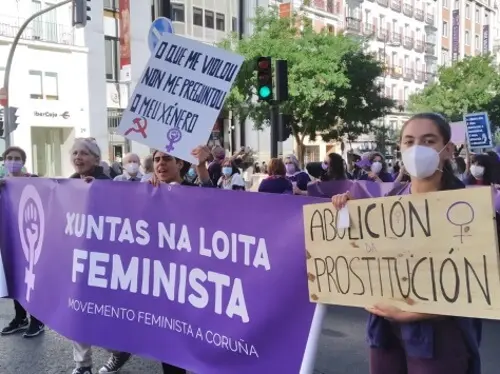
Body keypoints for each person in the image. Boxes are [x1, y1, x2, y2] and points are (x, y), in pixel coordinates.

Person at [331, 113, 482, 374]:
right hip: (385, 333)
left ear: (447, 150)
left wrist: (416, 313)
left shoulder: (468, 209)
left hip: (440, 337)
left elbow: (479, 283)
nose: (416, 149)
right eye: (409, 141)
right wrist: (346, 213)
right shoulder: (387, 204)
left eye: (428, 141)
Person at [146, 145, 211, 374]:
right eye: (156, 160)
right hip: (162, 280)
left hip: (192, 277)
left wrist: (202, 166)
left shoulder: (192, 190)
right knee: (170, 343)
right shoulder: (146, 192)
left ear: (180, 164)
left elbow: (213, 200)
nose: (161, 164)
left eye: (166, 158)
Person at [68, 138, 131, 374]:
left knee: (97, 313)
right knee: (75, 310)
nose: (78, 157)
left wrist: (101, 191)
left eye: (84, 153)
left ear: (96, 158)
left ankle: (117, 350)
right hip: (77, 258)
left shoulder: (108, 183)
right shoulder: (69, 183)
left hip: (102, 261)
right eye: (74, 153)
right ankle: (83, 364)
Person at [0, 146, 45, 339]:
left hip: (30, 238)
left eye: (17, 158)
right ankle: (20, 317)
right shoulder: (3, 183)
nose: (12, 161)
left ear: (23, 161)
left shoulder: (32, 180)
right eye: (9, 158)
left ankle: (37, 320)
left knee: (30, 279)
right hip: (9, 238)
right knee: (15, 279)